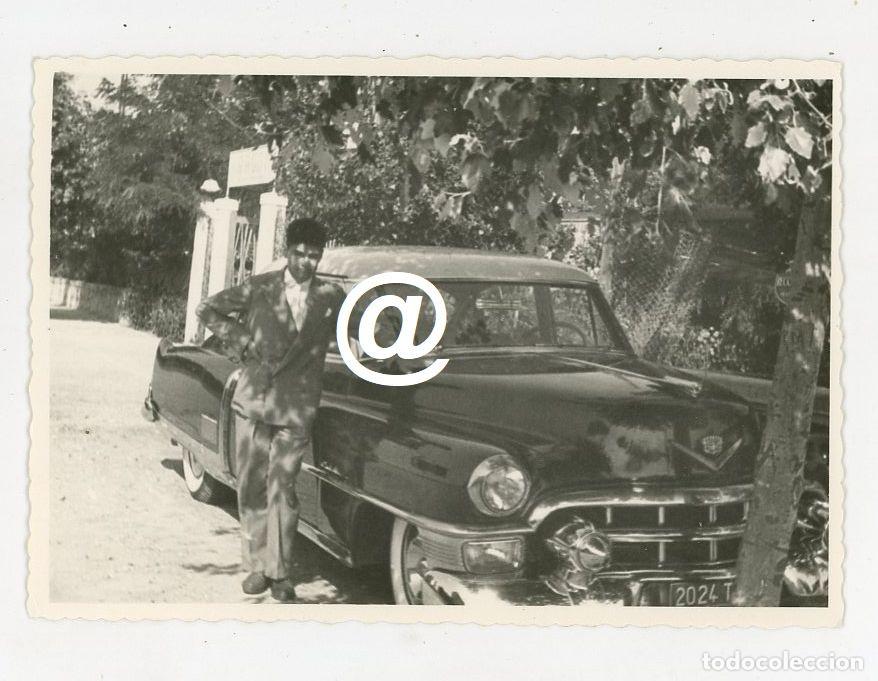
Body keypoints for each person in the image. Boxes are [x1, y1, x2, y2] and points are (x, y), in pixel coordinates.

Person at [196, 217, 344, 602]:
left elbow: (365, 329)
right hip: (254, 402)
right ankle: (256, 566)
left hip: (296, 407)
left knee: (283, 486)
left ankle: (279, 572)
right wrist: (242, 342)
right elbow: (208, 310)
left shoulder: (331, 296)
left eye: (314, 255)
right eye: (299, 253)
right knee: (250, 485)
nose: (306, 261)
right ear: (287, 252)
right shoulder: (260, 288)